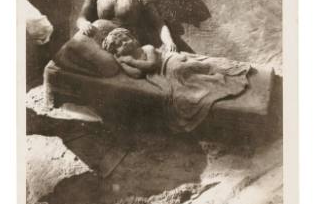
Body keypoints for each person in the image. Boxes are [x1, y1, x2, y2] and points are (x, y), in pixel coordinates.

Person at [103, 27, 251, 132]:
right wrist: (124, 61)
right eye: (120, 45)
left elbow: (151, 64)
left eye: (126, 39)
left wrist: (132, 61)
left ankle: (216, 74)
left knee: (183, 68)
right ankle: (212, 78)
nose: (125, 43)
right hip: (162, 72)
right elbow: (137, 75)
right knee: (181, 77)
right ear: (116, 53)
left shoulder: (146, 48)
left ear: (133, 38)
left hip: (167, 61)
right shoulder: (125, 61)